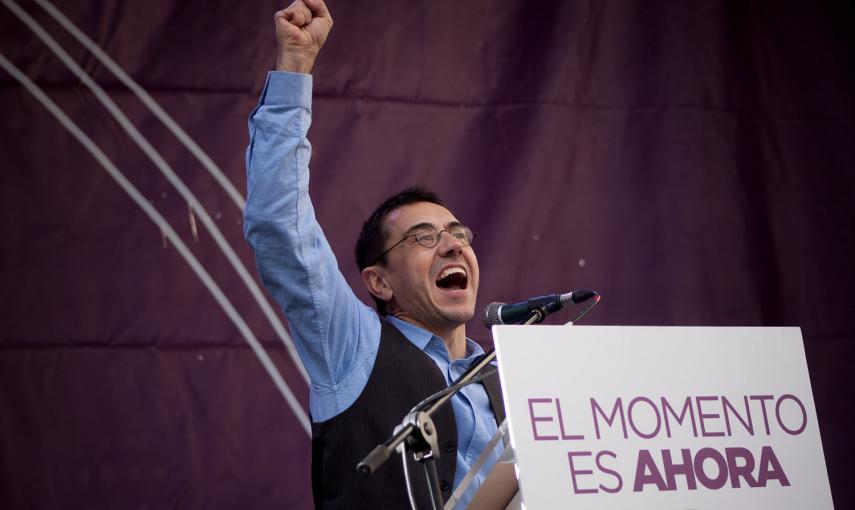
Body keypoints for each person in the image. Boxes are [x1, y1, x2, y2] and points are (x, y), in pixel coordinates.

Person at [244, 1, 510, 507]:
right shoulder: (353, 345)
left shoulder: (510, 378)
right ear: (379, 282)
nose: (453, 244)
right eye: (424, 237)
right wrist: (295, 69)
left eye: (457, 233)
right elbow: (281, 228)